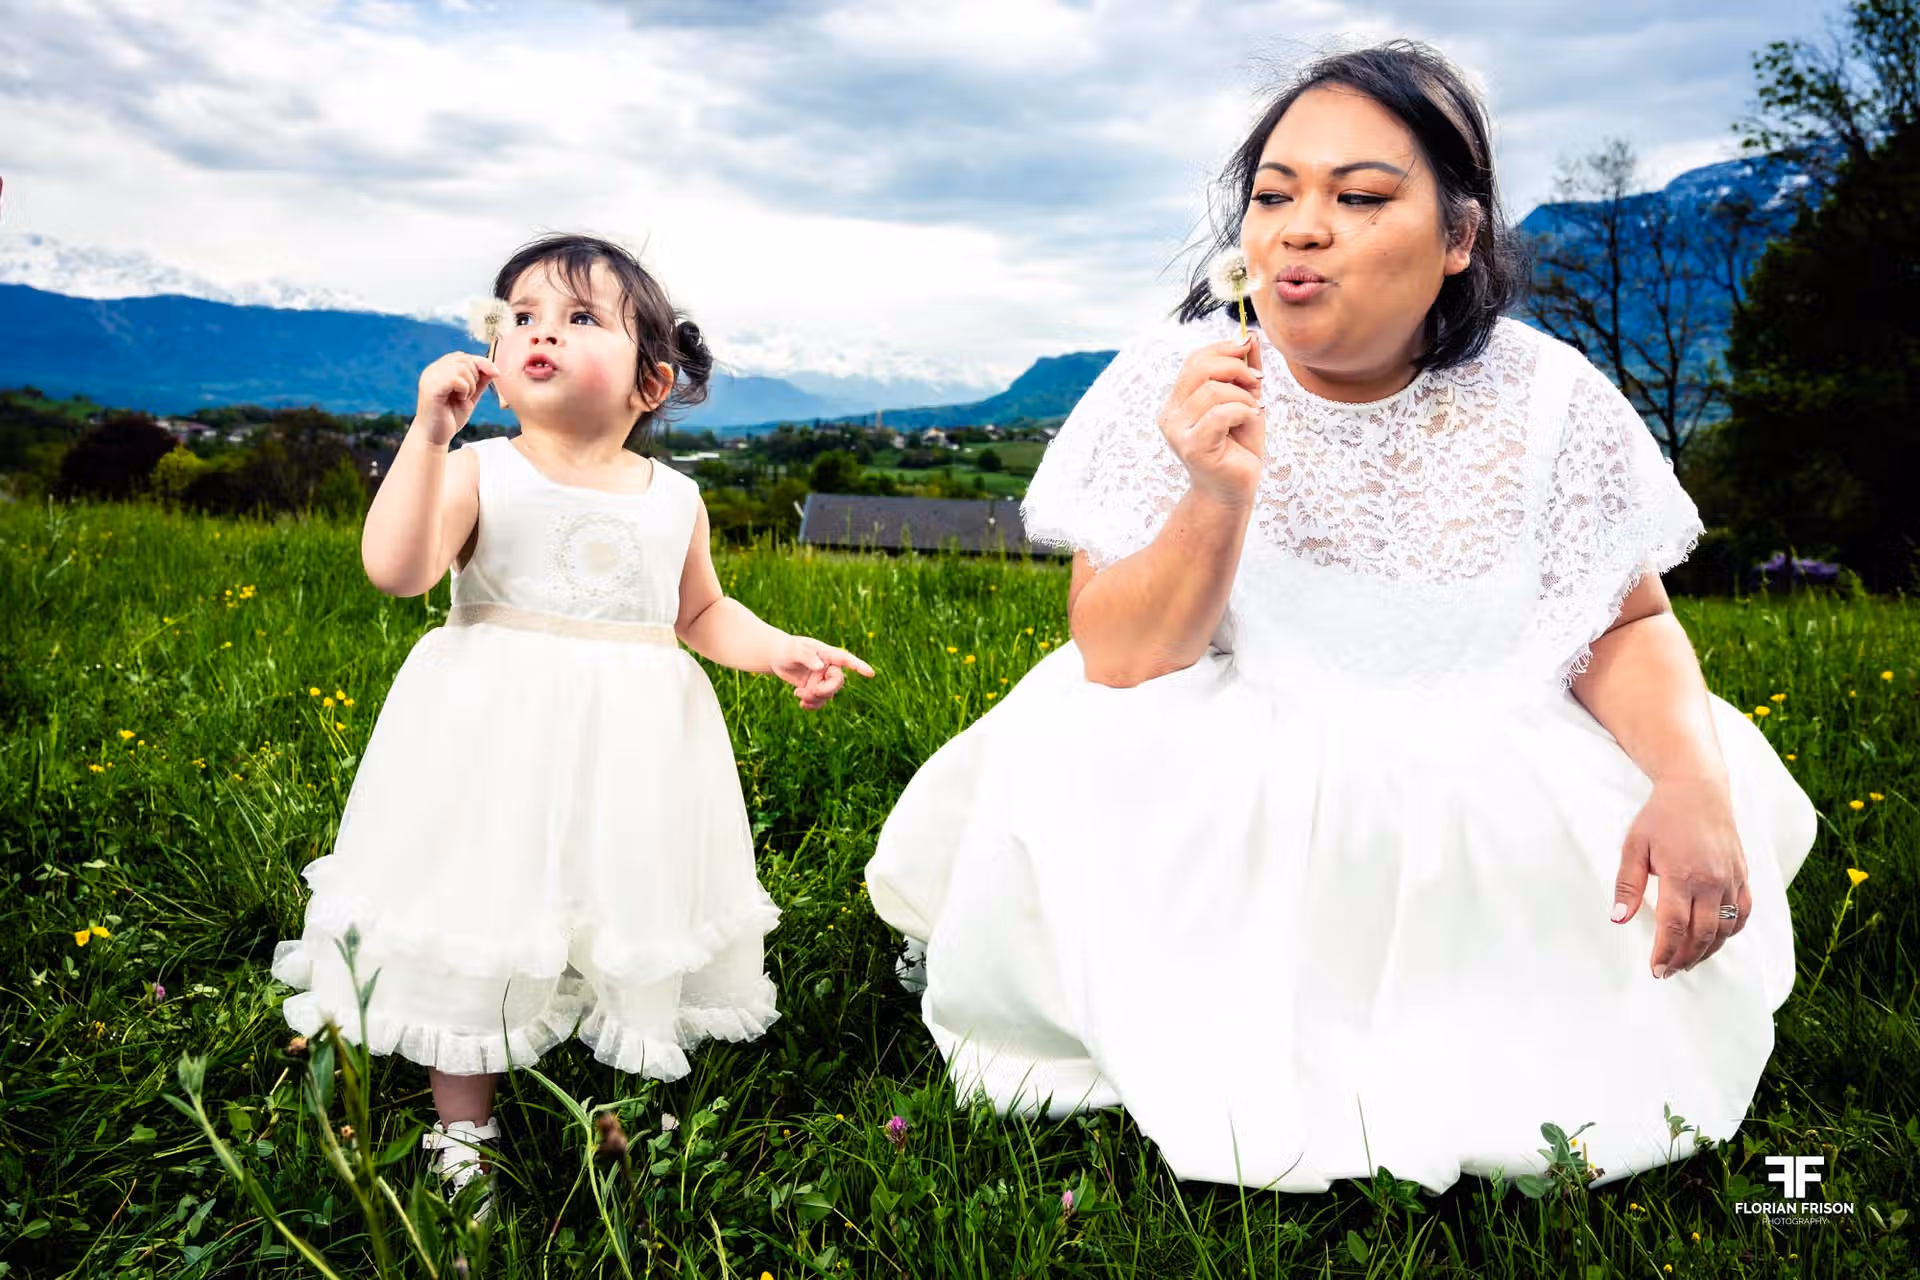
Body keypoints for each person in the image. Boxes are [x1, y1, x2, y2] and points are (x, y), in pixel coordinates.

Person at [865, 42, 1815, 1194]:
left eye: (1360, 197)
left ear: (1459, 240)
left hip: (1493, 757)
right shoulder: (1178, 376)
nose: (1299, 229)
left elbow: (1621, 624)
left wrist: (1687, 779)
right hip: (1230, 754)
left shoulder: (1553, 397)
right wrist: (1214, 495)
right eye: (1273, 196)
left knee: (1574, 987)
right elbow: (1118, 657)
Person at [272, 233, 873, 1214]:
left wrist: (776, 647)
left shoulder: (675, 496)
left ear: (650, 381)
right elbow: (399, 568)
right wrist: (426, 437)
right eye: (523, 316)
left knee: (614, 893)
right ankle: (462, 1121)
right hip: (490, 740)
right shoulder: (479, 469)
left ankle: (609, 1071)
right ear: (499, 365)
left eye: (581, 316)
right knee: (482, 903)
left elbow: (700, 612)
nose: (542, 328)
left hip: (631, 750)